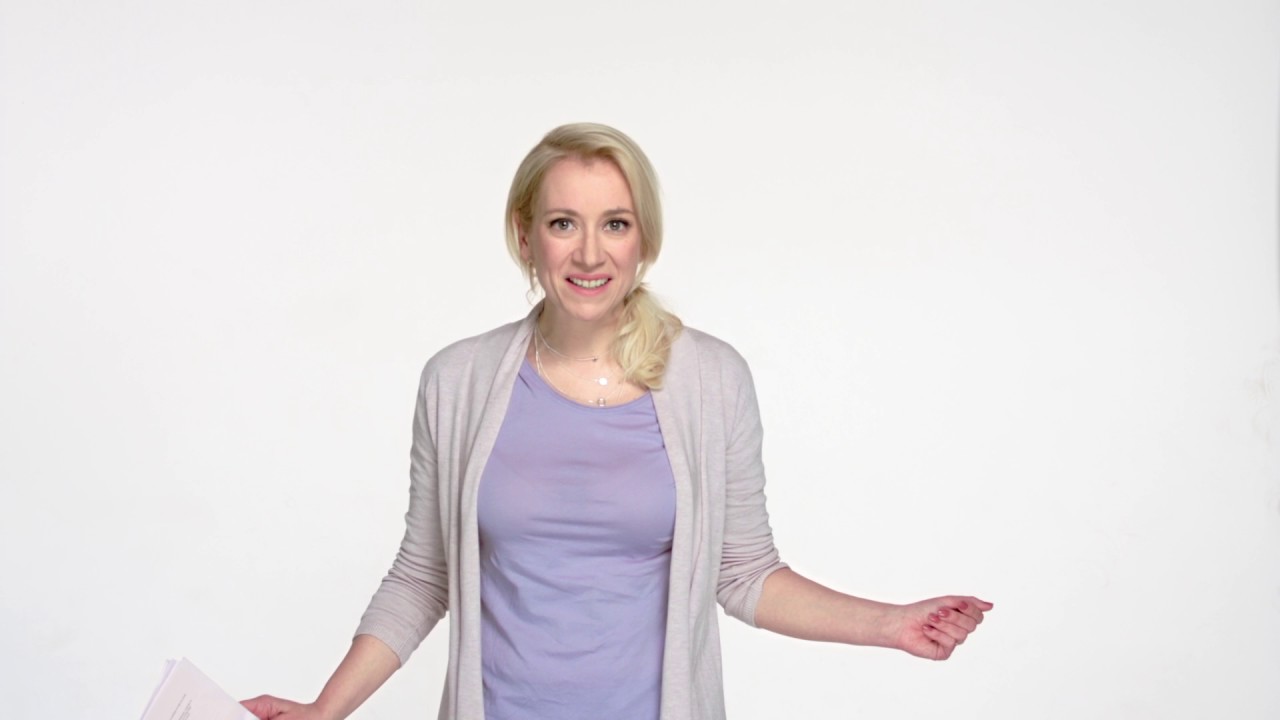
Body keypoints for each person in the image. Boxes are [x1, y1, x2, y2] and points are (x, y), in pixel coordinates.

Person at [243, 123, 993, 720]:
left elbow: (744, 574)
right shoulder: (457, 381)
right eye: (563, 223)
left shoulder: (711, 381)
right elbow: (423, 574)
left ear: (644, 239)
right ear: (526, 236)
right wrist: (324, 711)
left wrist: (891, 624)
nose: (589, 252)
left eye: (615, 223)